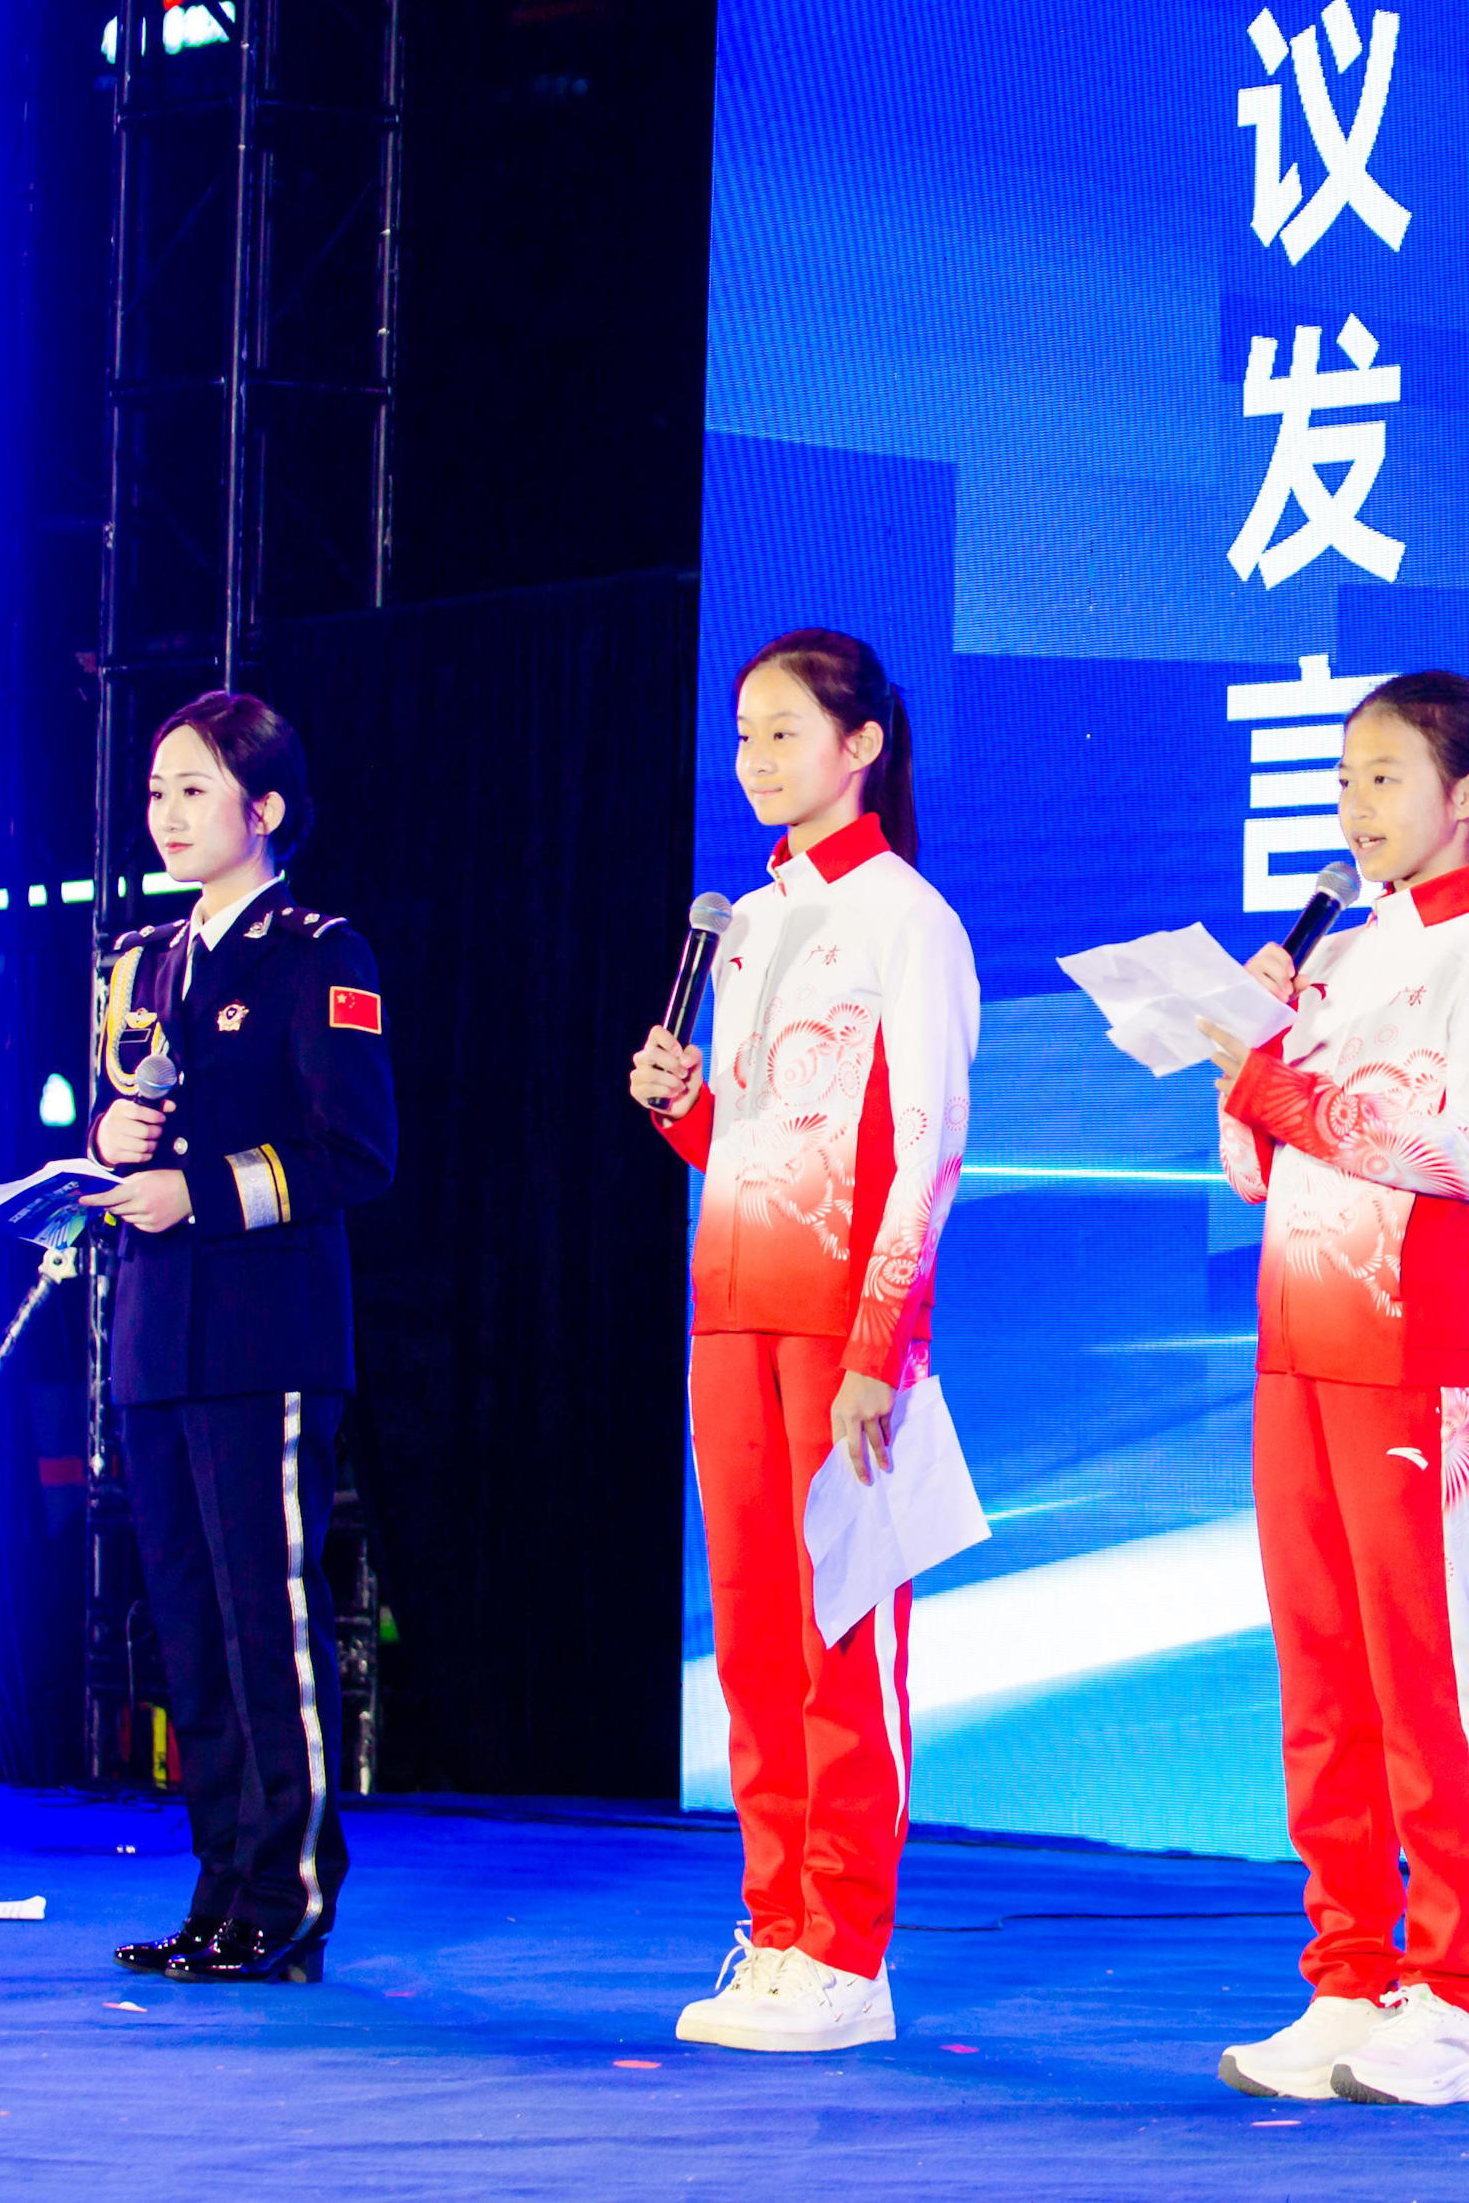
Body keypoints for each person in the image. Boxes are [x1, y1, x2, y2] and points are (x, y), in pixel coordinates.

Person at [1200, 671, 1469, 2108]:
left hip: (1419, 1360)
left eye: (1384, 778)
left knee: (1424, 1677)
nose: (1354, 807)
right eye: (1344, 779)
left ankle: (1458, 2002)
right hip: (1300, 1348)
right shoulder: (1344, 955)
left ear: (1466, 794)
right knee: (1323, 1680)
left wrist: (1288, 1090)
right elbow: (1259, 1167)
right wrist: (1246, 1054)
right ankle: (1348, 1973)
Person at [627, 629, 976, 2056]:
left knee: (844, 1640)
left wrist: (879, 1347)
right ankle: (773, 1928)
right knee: (758, 1643)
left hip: (841, 1326)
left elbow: (926, 1150)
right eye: (744, 735)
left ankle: (846, 1951)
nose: (757, 759)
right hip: (730, 1308)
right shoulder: (748, 921)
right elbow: (759, 1144)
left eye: (784, 732)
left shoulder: (908, 918)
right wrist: (682, 1109)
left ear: (862, 744)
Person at [86, 691, 397, 1987]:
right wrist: (107, 1140)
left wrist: (198, 1191)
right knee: (189, 1623)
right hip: (157, 1330)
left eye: (195, 789)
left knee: (267, 1618)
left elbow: (355, 1154)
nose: (166, 813)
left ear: (264, 809)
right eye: (158, 789)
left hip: (265, 1335)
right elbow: (123, 1114)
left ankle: (289, 1897)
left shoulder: (320, 952)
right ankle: (220, 1889)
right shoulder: (140, 960)